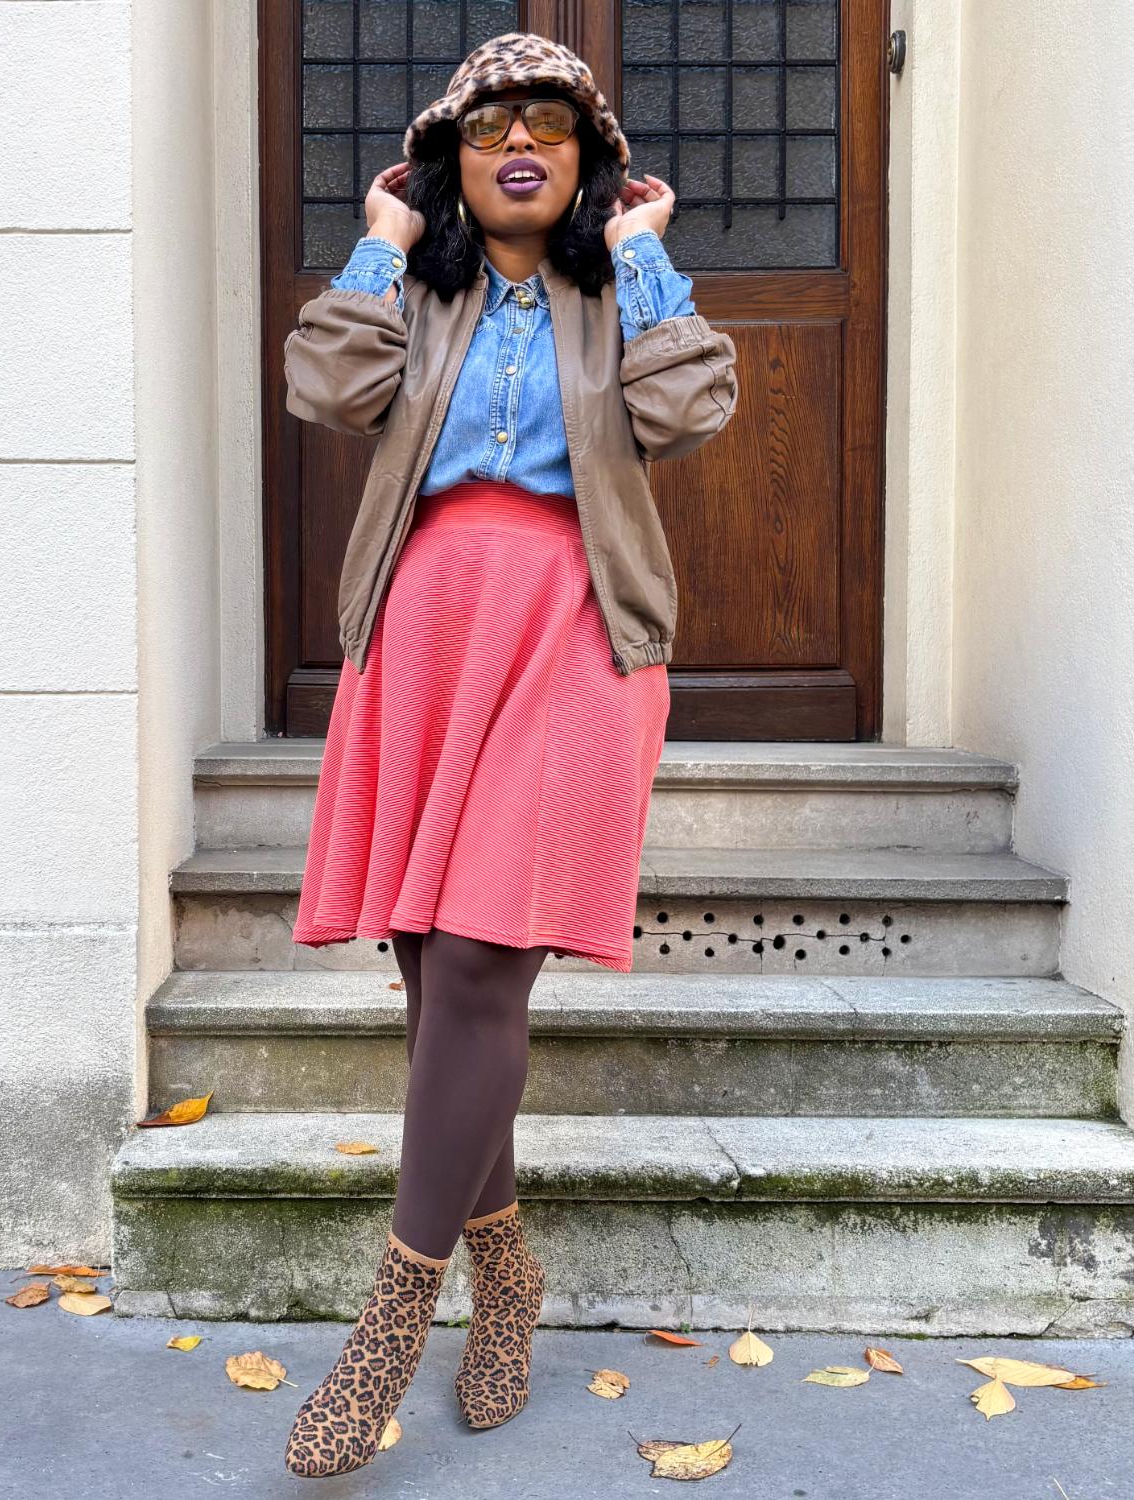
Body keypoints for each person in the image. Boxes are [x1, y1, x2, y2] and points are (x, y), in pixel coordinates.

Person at [279, 31, 739, 1479]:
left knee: (484, 959)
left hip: (576, 629)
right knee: (434, 975)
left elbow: (687, 410)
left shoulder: (616, 294)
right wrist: (379, 242)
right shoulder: (419, 290)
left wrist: (646, 254)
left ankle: (389, 1326)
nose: (520, 143)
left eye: (549, 122)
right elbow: (325, 389)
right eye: (490, 126)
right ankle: (509, 1274)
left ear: (587, 158)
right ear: (452, 161)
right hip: (427, 628)